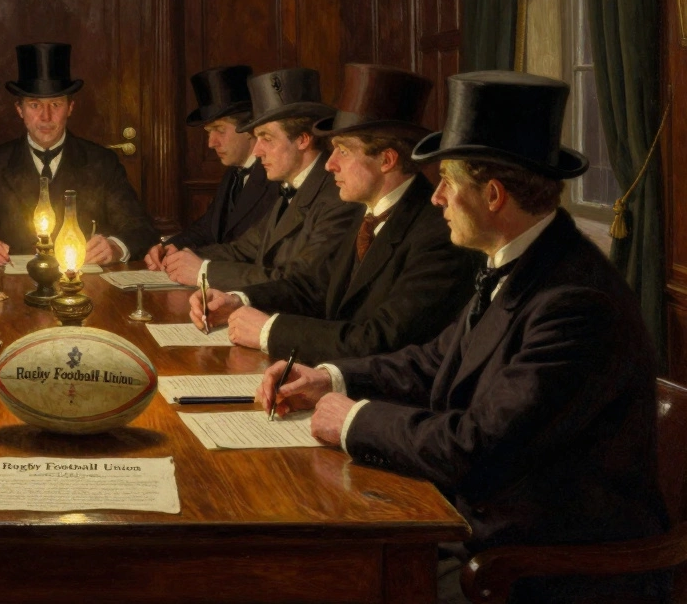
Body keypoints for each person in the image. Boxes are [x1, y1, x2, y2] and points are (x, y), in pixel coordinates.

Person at [257, 71, 669, 604]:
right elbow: (434, 361)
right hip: (475, 529)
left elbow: (476, 449)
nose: (436, 199)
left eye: (448, 183)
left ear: (493, 195)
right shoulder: (519, 260)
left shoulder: (574, 301)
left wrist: (354, 418)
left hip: (537, 567)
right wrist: (329, 376)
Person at [191, 64, 479, 362]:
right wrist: (238, 300)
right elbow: (313, 286)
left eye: (343, 150)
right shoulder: (363, 213)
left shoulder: (438, 236)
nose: (330, 165)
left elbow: (380, 338)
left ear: (386, 160)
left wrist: (269, 331)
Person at [0, 42, 159, 266]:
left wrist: (115, 248)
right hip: (14, 287)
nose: (45, 116)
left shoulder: (101, 162)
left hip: (87, 288)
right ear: (19, 110)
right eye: (34, 105)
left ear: (70, 108)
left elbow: (141, 230)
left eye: (55, 104)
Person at [157, 68, 360, 289]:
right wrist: (180, 257)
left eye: (267, 138)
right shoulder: (291, 188)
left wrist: (204, 271)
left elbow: (299, 281)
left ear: (303, 140)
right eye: (257, 137)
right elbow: (242, 249)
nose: (258, 150)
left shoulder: (339, 195)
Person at [144, 66, 278, 270]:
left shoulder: (275, 176)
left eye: (219, 130)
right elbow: (207, 227)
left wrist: (194, 258)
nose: (211, 143)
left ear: (249, 128)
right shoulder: (233, 174)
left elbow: (251, 250)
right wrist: (171, 246)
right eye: (208, 132)